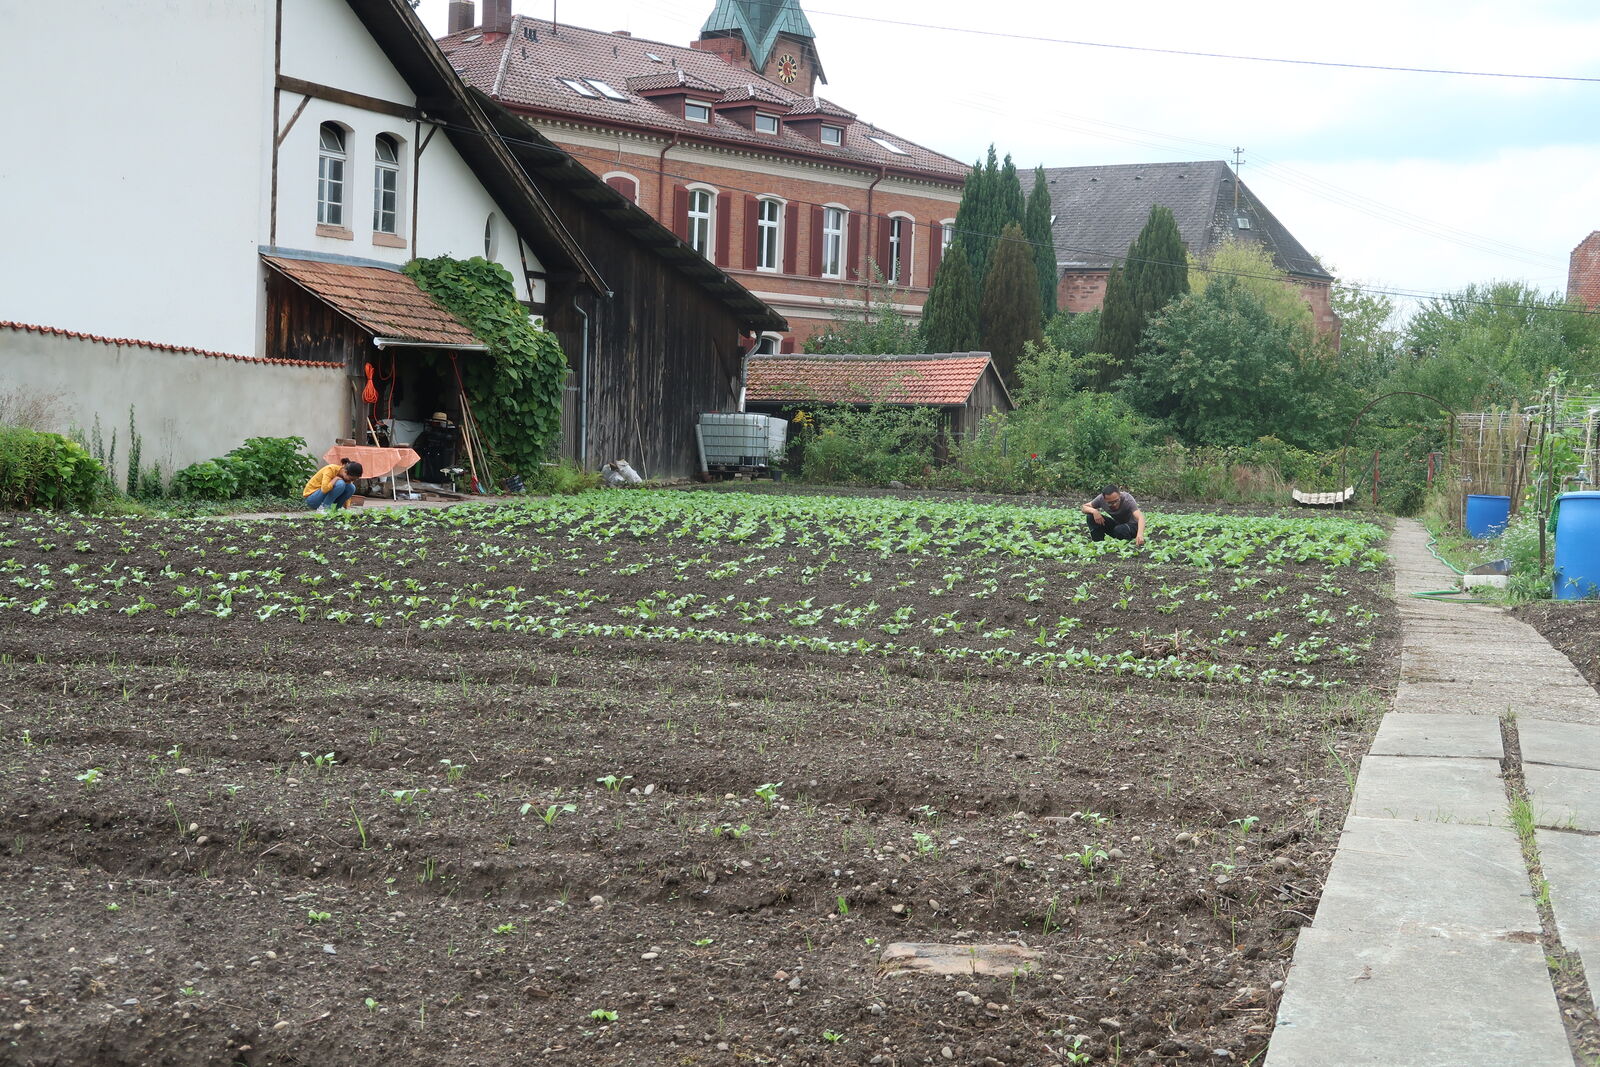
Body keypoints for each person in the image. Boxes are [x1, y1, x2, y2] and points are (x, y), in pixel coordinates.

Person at [1081, 484, 1145, 546]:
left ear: (1119, 495)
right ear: (1104, 499)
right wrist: (1094, 511)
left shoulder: (1127, 499)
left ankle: (1127, 545)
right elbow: (1084, 507)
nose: (1114, 504)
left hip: (1132, 527)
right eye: (1110, 503)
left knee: (1120, 529)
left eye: (1116, 501)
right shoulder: (1100, 499)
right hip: (1118, 526)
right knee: (1090, 517)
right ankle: (1099, 544)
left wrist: (1140, 534)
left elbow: (1140, 517)